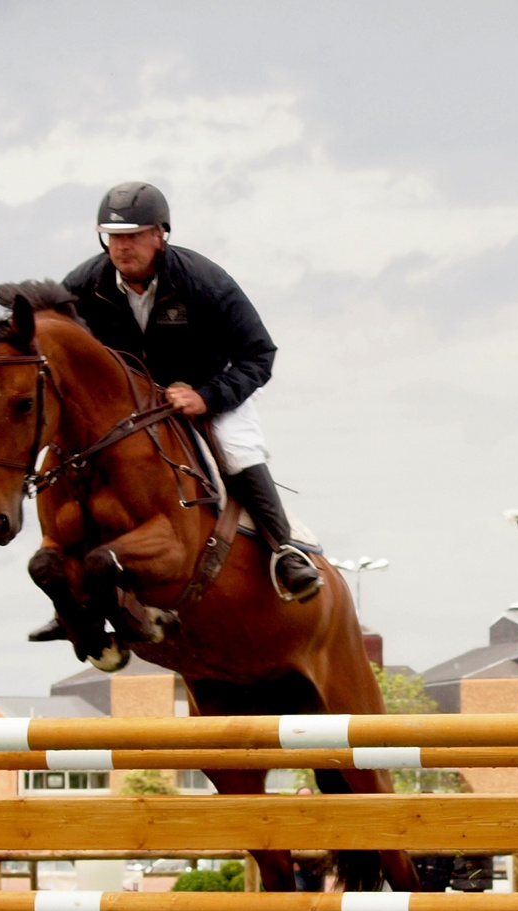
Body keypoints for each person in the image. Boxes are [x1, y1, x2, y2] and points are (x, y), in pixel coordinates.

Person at [58, 181, 322, 606]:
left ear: (160, 234)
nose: (122, 247)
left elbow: (259, 354)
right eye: (113, 237)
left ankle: (284, 551)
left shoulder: (204, 281)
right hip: (133, 405)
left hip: (206, 390)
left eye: (132, 236)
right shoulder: (84, 285)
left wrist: (208, 397)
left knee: (238, 449)